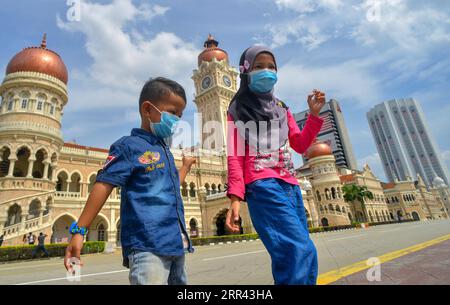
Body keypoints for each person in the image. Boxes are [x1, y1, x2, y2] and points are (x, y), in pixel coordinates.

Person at [64, 77, 197, 285]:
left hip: (175, 243)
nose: (177, 121)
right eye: (172, 112)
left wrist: (186, 167)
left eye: (180, 116)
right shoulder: (128, 147)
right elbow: (104, 183)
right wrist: (79, 230)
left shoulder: (165, 151)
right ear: (147, 109)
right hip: (147, 244)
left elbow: (171, 187)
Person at [225, 46, 325, 285]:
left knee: (299, 254)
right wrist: (235, 199)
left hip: (290, 186)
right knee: (299, 251)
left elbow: (299, 145)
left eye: (271, 67)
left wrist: (313, 115)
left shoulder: (282, 108)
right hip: (262, 186)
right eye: (259, 66)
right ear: (246, 71)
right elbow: (235, 156)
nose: (267, 71)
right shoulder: (237, 109)